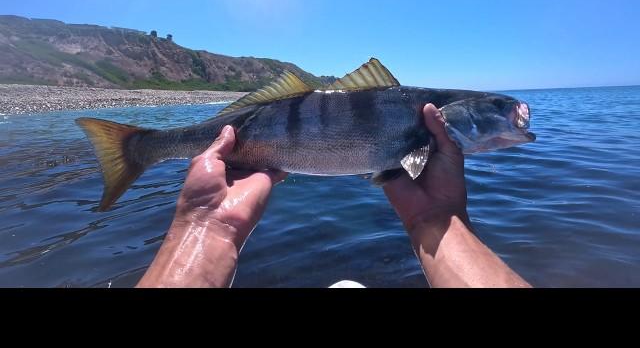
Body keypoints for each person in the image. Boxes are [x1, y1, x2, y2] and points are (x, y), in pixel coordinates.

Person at [137, 104, 531, 288]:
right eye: (497, 107)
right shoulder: (419, 118)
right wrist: (441, 216)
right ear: (446, 113)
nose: (510, 113)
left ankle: (142, 147)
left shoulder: (420, 127)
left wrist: (204, 226)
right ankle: (140, 147)